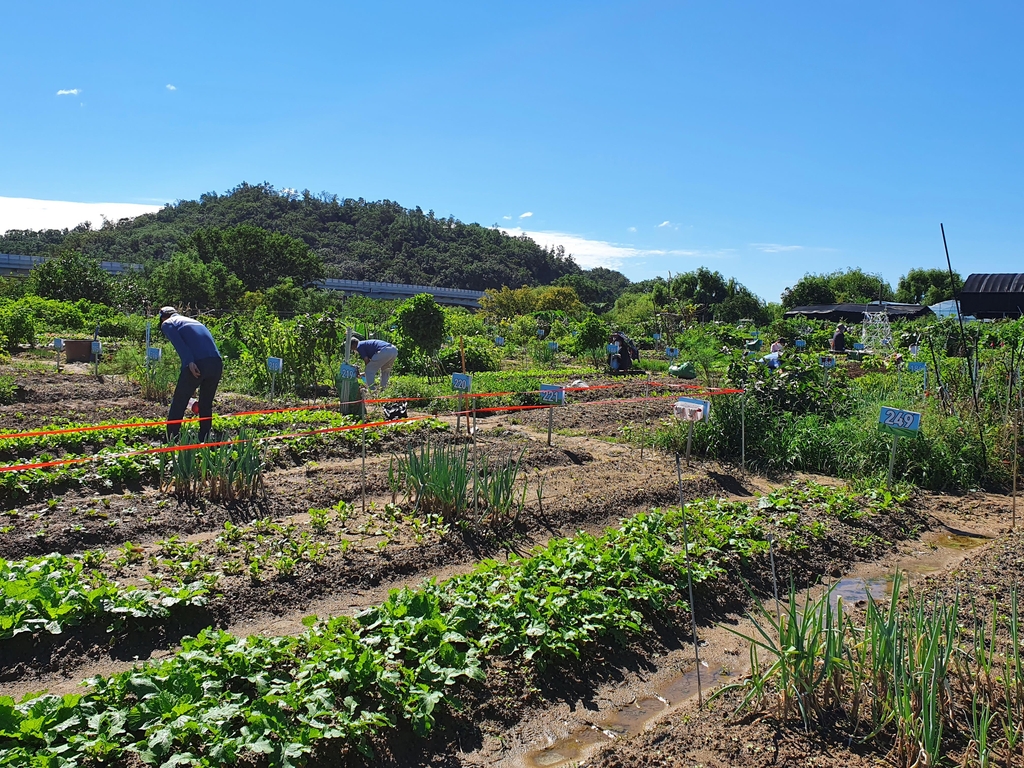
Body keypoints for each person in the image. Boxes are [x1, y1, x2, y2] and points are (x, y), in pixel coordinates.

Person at [159, 307, 222, 443]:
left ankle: (171, 438)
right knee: (206, 404)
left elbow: (179, 344)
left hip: (197, 364)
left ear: (163, 317)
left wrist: (189, 362)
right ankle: (204, 437)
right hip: (216, 363)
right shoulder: (194, 322)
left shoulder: (168, 323)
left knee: (179, 401)